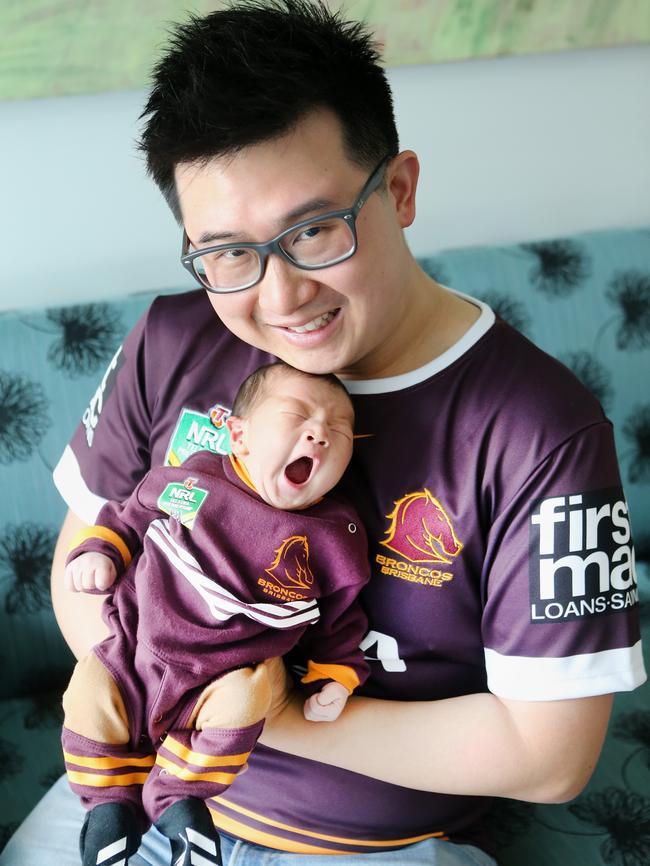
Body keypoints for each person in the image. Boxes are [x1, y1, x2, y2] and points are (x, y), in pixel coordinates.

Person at [2, 1, 645, 864]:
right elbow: (84, 563)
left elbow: (549, 756)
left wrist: (246, 711)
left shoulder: (539, 429)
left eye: (312, 231)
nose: (279, 298)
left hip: (374, 847)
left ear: (402, 189)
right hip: (133, 798)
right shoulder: (174, 337)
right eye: (228, 252)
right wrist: (157, 703)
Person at [60, 361, 370, 866]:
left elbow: (340, 620)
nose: (319, 435)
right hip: (135, 647)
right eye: (297, 416)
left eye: (339, 430)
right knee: (89, 693)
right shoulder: (196, 478)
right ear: (238, 435)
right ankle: (109, 810)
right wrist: (100, 551)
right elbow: (129, 516)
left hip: (224, 675)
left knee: (246, 702)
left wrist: (335, 675)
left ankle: (179, 798)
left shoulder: (334, 536)